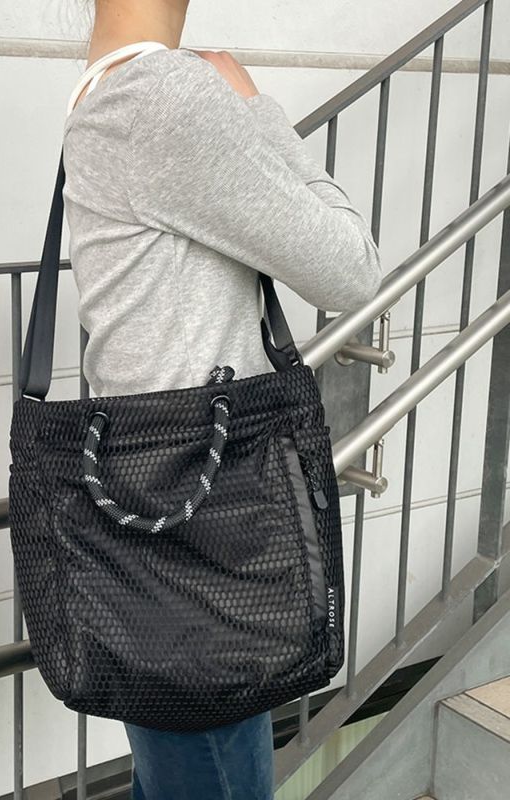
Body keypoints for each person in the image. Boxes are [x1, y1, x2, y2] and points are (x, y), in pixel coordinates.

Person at [62, 2, 383, 798]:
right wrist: (257, 111)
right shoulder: (167, 94)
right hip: (207, 524)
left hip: (150, 508)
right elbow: (351, 271)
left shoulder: (100, 92)